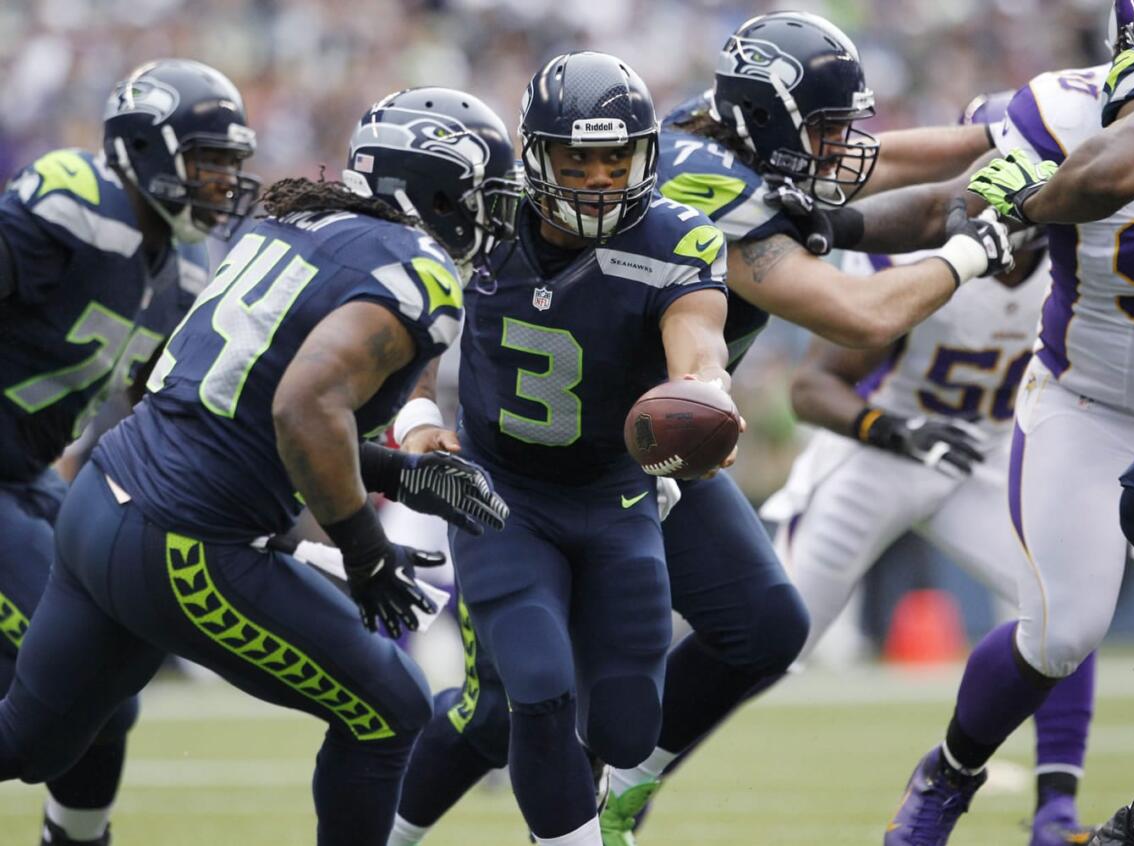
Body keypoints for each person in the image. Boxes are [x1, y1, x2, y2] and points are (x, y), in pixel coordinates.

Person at [386, 15, 1018, 846]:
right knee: (512, 702)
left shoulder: (685, 143)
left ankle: (623, 784)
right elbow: (860, 313)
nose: (845, 149)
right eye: (824, 131)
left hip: (644, 458)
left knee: (760, 629)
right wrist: (973, 247)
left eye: (617, 163)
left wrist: (1001, 131)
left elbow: (878, 168)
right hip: (529, 470)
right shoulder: (654, 202)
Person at [0, 86, 515, 846]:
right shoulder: (416, 269)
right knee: (391, 710)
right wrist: (363, 551)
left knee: (30, 743)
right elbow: (303, 410)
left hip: (101, 506)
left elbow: (243, 415)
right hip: (182, 539)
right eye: (485, 195)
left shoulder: (296, 228)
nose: (494, 217)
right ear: (439, 190)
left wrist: (396, 475)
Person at [823, 1, 1134, 843]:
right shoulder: (1072, 108)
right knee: (1062, 630)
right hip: (1093, 406)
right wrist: (827, 223)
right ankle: (951, 773)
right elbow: (953, 201)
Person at [396, 49, 741, 846]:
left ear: (644, 156)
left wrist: (706, 395)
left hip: (616, 496)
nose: (596, 178)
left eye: (615, 159)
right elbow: (407, 325)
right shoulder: (484, 221)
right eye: (575, 159)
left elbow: (698, 341)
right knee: (537, 690)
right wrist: (415, 418)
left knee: (624, 726)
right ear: (533, 154)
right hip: (501, 494)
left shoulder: (674, 237)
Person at [758, 90, 1102, 846]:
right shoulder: (912, 252)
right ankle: (627, 774)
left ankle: (1056, 811)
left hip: (985, 453)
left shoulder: (1083, 261)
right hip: (878, 451)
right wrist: (892, 427)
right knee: (765, 640)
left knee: (1064, 608)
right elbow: (812, 386)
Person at [0, 58, 257, 846]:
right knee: (75, 677)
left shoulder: (184, 269)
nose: (221, 183)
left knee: (109, 690)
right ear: (145, 150)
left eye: (228, 165)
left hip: (29, 477)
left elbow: (170, 415)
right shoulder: (76, 201)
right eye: (207, 161)